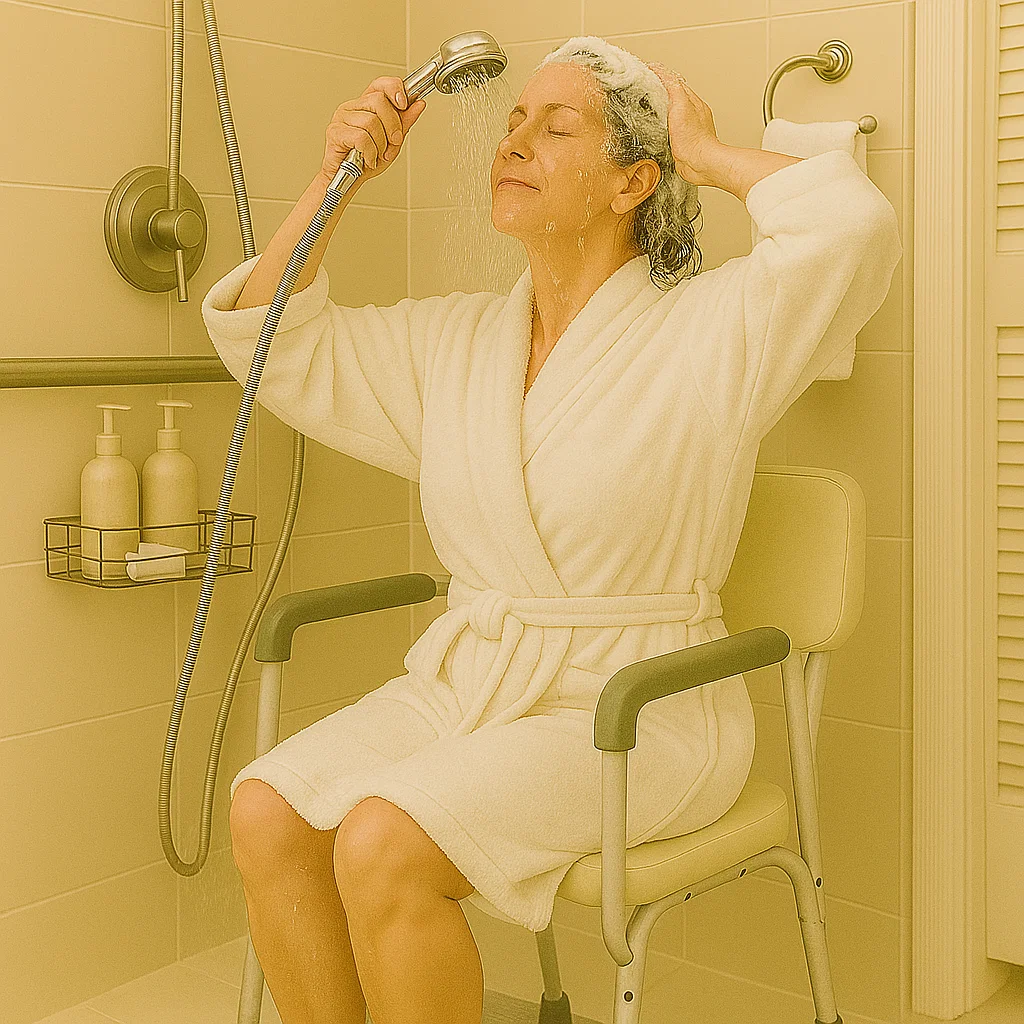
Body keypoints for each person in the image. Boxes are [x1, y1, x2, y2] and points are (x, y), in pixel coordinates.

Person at [205, 36, 901, 1024]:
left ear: (633, 182)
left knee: (380, 840)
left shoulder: (711, 330)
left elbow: (852, 227)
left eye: (557, 126)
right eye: (513, 121)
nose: (516, 141)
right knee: (266, 809)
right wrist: (336, 179)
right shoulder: (456, 343)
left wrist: (706, 156)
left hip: (641, 709)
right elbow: (270, 341)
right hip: (476, 685)